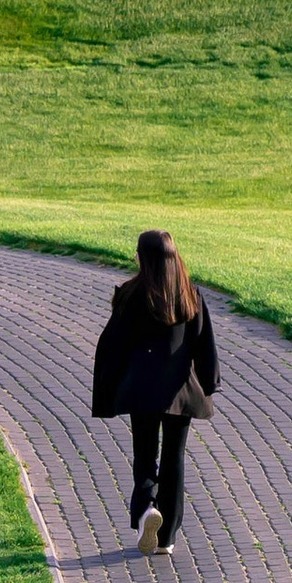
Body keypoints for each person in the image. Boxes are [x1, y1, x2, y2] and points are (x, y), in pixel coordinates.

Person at [91, 229, 219, 556]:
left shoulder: (131, 295)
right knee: (174, 457)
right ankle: (168, 538)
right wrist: (209, 382)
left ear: (143, 258)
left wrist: (109, 384)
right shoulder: (190, 295)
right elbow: (204, 344)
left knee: (145, 454)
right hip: (181, 391)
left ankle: (147, 508)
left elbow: (112, 345)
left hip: (141, 391)